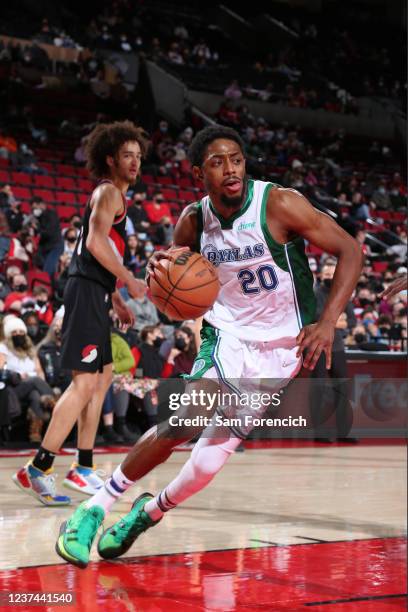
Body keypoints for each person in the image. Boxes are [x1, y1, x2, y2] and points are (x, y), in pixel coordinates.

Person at [56, 124, 363, 568]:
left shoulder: (278, 203)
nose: (231, 169)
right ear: (200, 172)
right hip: (227, 334)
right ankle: (93, 508)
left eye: (236, 159)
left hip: (281, 350)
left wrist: (328, 321)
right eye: (217, 163)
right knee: (190, 415)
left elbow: (350, 250)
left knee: (204, 467)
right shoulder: (194, 220)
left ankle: (149, 512)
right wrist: (159, 267)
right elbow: (171, 271)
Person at [13, 120, 148, 505]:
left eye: (138, 156)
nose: (135, 162)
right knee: (84, 383)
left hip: (97, 293)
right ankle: (38, 469)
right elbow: (92, 242)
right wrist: (130, 281)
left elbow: (98, 253)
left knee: (103, 378)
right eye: (127, 155)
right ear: (110, 159)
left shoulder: (117, 199)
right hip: (85, 292)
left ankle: (83, 466)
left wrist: (117, 298)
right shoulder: (108, 193)